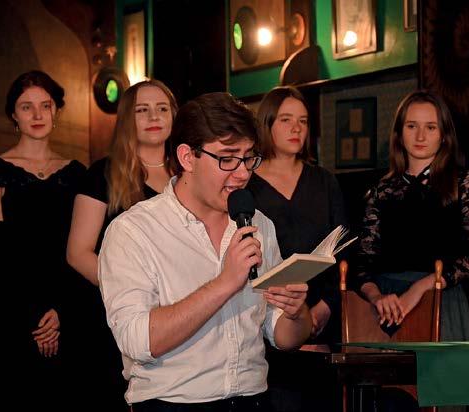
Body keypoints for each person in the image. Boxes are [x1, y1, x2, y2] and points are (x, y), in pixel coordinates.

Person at [98, 92, 312, 411]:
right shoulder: (134, 231)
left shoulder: (259, 224)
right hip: (172, 404)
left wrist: (296, 313)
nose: (242, 173)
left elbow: (283, 335)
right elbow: (138, 341)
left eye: (249, 158)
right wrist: (225, 283)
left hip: (254, 399)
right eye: (227, 159)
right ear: (188, 158)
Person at [65, 79, 177, 409]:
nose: (154, 116)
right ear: (127, 118)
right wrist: (132, 291)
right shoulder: (102, 173)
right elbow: (78, 253)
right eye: (142, 110)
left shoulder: (188, 173)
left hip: (178, 314)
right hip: (117, 319)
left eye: (162, 108)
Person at [0, 70, 86, 407]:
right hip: (12, 309)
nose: (37, 115)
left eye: (45, 105)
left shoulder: (78, 173)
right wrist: (36, 317)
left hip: (68, 308)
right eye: (27, 107)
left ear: (57, 111)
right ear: (13, 114)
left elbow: (85, 248)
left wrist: (61, 311)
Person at [352, 90, 469, 341]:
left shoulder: (463, 183)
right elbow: (361, 263)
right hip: (386, 310)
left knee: (440, 368)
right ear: (399, 133)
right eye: (412, 126)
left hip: (441, 300)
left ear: (444, 135)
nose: (420, 136)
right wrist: (376, 296)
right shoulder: (381, 190)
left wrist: (420, 288)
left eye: (431, 127)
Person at [247, 86, 346, 412]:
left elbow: (342, 251)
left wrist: (325, 306)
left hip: (323, 317)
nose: (296, 128)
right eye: (286, 119)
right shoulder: (246, 183)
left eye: (303, 121)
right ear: (267, 124)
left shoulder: (324, 181)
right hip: (267, 319)